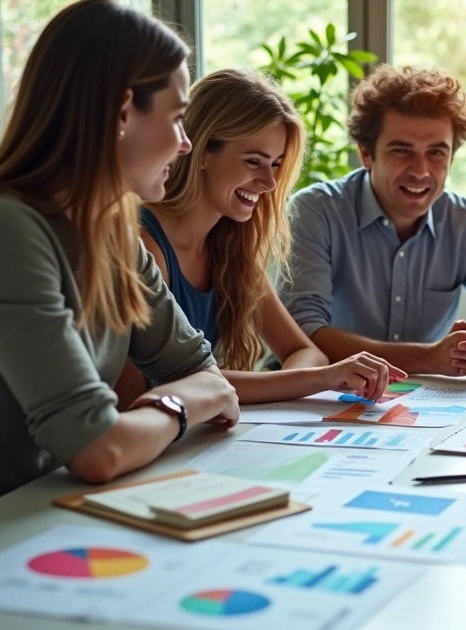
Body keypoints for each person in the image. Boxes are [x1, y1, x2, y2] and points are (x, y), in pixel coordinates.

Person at [0, 0, 239, 558]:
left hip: (30, 510)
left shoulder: (112, 232)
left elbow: (201, 372)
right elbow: (98, 450)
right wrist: (181, 406)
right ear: (121, 112)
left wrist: (192, 394)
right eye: (178, 116)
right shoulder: (0, 227)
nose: (185, 143)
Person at [121, 69, 405, 405]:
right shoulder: (143, 246)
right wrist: (320, 378)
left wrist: (306, 377)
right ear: (201, 152)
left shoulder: (230, 245)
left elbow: (304, 351)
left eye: (276, 164)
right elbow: (148, 389)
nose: (269, 183)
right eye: (254, 161)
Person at [280, 65, 466, 381]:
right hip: (316, 397)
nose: (421, 170)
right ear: (367, 154)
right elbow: (304, 332)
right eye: (402, 151)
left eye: (437, 153)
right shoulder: (316, 211)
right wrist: (430, 358)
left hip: (421, 405)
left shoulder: (464, 222)